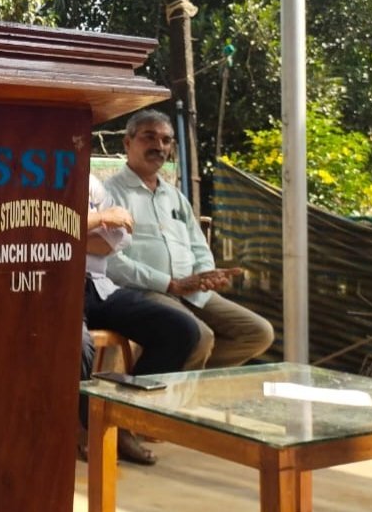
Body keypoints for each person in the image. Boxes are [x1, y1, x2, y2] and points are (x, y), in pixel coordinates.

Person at [105, 108, 275, 369]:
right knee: (200, 337)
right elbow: (111, 262)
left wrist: (205, 276)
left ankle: (184, 376)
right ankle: (178, 384)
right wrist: (170, 284)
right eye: (149, 137)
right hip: (145, 291)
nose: (159, 146)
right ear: (127, 143)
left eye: (166, 140)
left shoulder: (174, 196)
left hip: (192, 291)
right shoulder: (110, 193)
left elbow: (198, 245)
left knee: (258, 333)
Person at [79, 174, 202, 465]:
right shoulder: (33, 178)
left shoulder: (91, 183)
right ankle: (91, 430)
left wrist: (79, 233)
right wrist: (100, 219)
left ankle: (124, 421)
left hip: (99, 286)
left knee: (181, 330)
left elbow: (119, 239)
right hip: (53, 288)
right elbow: (43, 229)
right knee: (78, 346)